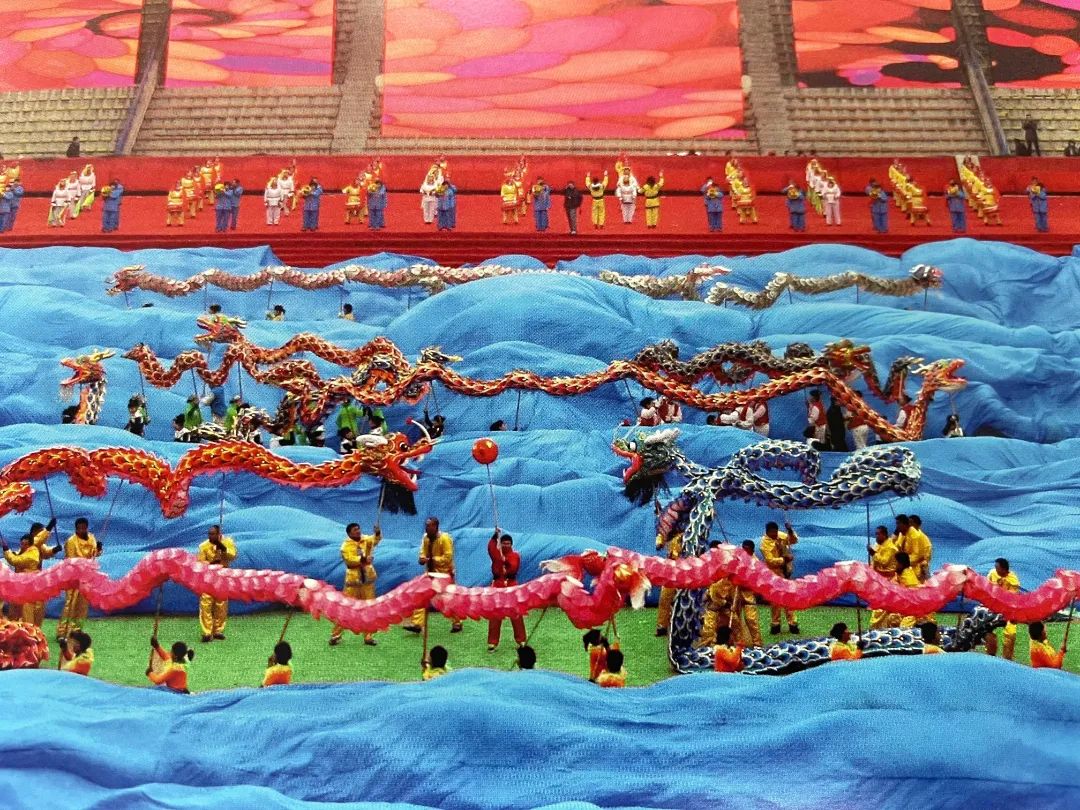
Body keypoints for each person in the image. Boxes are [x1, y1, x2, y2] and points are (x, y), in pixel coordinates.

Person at [404, 517, 461, 633]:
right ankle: (417, 624)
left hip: (444, 575)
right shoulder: (426, 538)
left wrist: (432, 560)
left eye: (429, 525)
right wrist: (422, 558)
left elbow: (447, 557)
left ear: (435, 527)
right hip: (430, 573)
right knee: (421, 596)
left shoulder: (445, 539)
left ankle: (457, 622)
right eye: (426, 525)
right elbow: (423, 552)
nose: (426, 527)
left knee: (448, 599)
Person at [330, 522, 382, 646]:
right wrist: (363, 559)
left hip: (367, 579)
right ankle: (336, 635)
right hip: (353, 581)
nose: (358, 531)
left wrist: (377, 533)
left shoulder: (365, 539)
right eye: (355, 530)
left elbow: (375, 540)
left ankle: (368, 636)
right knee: (346, 607)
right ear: (349, 533)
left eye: (358, 529)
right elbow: (350, 560)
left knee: (369, 608)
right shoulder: (345, 546)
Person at [56, 517, 100, 639]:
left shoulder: (92, 538)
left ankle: (77, 630)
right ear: (76, 529)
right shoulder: (71, 541)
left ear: (86, 527)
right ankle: (63, 631)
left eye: (83, 528)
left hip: (86, 577)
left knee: (82, 605)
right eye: (79, 528)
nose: (81, 530)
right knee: (70, 603)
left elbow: (93, 555)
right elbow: (71, 561)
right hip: (73, 577)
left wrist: (98, 550)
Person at [486, 528, 527, 651]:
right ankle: (492, 642)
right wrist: (495, 536)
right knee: (495, 614)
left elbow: (514, 567)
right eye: (503, 543)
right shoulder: (496, 554)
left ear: (511, 544)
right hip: (498, 585)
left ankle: (521, 640)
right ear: (500, 544)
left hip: (511, 585)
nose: (506, 545)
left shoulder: (515, 555)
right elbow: (490, 548)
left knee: (516, 613)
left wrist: (505, 562)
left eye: (508, 543)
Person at [197, 525, 237, 642]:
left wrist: (222, 547)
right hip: (208, 578)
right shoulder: (203, 546)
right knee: (206, 604)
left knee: (221, 604)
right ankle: (207, 632)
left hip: (222, 577)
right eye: (209, 534)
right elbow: (200, 562)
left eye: (213, 534)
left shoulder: (228, 542)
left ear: (219, 534)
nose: (210, 536)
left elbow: (233, 556)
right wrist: (212, 563)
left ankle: (218, 630)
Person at [761, 521, 798, 634]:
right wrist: (784, 559)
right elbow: (770, 560)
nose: (774, 534)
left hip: (786, 571)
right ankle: (775, 624)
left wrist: (790, 530)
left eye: (775, 532)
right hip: (774, 573)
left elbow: (793, 540)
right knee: (775, 600)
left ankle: (793, 624)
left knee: (788, 597)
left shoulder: (781, 535)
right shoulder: (764, 544)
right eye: (772, 532)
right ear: (767, 532)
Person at [2, 535, 45, 625]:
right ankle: (16, 627)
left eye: (25, 544)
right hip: (21, 584)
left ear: (30, 544)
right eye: (22, 544)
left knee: (27, 608)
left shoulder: (32, 554)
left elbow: (15, 560)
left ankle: (29, 628)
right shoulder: (25, 551)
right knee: (15, 607)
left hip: (30, 584)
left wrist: (7, 550)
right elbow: (17, 556)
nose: (23, 546)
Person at [985, 558, 1020, 661]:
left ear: (1004, 569)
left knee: (1011, 633)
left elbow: (1011, 598)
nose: (995, 569)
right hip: (993, 607)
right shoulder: (992, 573)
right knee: (986, 629)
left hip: (1008, 609)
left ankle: (1007, 659)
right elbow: (986, 587)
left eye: (997, 568)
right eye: (995, 567)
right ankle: (990, 655)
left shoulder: (1013, 580)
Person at [867, 525, 899, 628]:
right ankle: (877, 627)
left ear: (884, 535)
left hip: (889, 580)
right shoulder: (878, 545)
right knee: (879, 606)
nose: (876, 536)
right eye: (876, 534)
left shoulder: (891, 548)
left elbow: (884, 562)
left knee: (885, 607)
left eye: (878, 534)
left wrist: (873, 553)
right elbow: (874, 562)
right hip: (879, 580)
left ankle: (887, 627)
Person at [733, 540, 763, 647]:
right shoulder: (738, 558)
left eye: (747, 549)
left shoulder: (756, 563)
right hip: (736, 592)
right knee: (735, 618)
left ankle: (757, 644)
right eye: (743, 549)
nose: (744, 551)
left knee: (751, 619)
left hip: (749, 594)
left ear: (752, 550)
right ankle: (739, 643)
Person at [655, 529, 683, 637]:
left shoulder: (686, 535)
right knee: (665, 597)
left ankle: (680, 627)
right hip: (670, 571)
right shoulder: (667, 532)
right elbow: (659, 544)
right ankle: (662, 626)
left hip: (684, 570)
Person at [696, 575, 737, 648]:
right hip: (712, 612)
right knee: (708, 632)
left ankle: (728, 644)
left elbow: (731, 600)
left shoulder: (732, 587)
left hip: (723, 613)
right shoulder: (714, 586)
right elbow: (709, 598)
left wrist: (731, 605)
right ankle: (706, 647)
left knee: (734, 623)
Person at [905, 514, 933, 581]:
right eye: (908, 522)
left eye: (911, 522)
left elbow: (926, 555)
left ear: (918, 524)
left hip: (920, 567)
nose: (909, 524)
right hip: (909, 565)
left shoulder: (923, 538)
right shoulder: (907, 535)